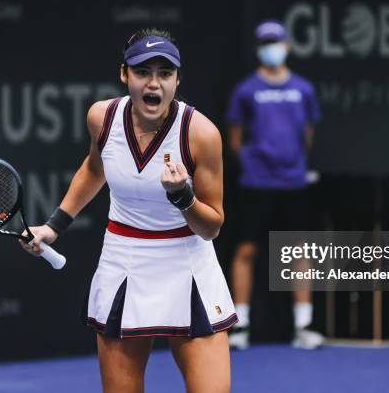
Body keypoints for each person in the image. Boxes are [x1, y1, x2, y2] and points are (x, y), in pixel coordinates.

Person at [20, 28, 237, 393]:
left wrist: (183, 197)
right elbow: (94, 168)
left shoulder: (201, 134)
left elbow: (212, 227)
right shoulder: (102, 118)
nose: (154, 84)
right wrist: (54, 226)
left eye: (165, 74)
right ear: (124, 74)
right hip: (124, 260)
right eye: (143, 72)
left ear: (177, 79)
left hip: (188, 262)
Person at [226, 20, 323, 350]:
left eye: (276, 41)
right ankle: (239, 326)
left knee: (298, 251)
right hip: (256, 184)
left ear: (287, 46)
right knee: (247, 250)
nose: (272, 47)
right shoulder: (245, 90)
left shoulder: (304, 89)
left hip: (293, 183)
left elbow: (308, 134)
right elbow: (235, 139)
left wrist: (291, 163)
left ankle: (304, 326)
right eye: (266, 42)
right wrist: (257, 164)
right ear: (258, 48)